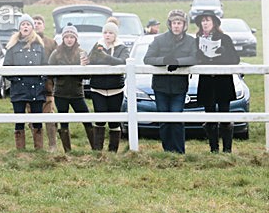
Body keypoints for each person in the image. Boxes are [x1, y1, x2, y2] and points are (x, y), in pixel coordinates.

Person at [143, 9, 197, 154]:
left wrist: (178, 62)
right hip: (160, 86)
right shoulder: (159, 40)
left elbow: (195, 58)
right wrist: (164, 61)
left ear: (184, 25)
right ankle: (167, 151)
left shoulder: (191, 41)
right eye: (174, 23)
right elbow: (147, 58)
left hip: (179, 87)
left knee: (176, 118)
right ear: (170, 24)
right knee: (164, 121)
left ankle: (180, 152)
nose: (176, 26)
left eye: (179, 23)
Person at [195, 11, 240, 153]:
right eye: (203, 21)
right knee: (209, 115)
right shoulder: (197, 39)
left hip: (222, 82)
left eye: (207, 20)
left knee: (224, 114)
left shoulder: (224, 38)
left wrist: (224, 53)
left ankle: (227, 150)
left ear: (214, 23)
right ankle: (213, 148)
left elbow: (235, 59)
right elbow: (194, 59)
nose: (205, 23)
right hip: (207, 82)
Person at [4, 14, 47, 150]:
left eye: (28, 24)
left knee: (37, 121)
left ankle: (39, 149)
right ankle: (20, 150)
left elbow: (46, 66)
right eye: (23, 24)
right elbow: (6, 68)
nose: (25, 26)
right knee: (19, 121)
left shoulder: (39, 46)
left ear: (32, 27)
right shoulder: (12, 47)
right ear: (19, 28)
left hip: (36, 89)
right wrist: (17, 80)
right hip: (19, 89)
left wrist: (41, 80)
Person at [48, 25, 92, 152]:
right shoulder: (56, 53)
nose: (69, 39)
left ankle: (95, 149)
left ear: (75, 38)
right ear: (63, 38)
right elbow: (49, 73)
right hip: (60, 93)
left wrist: (83, 67)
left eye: (71, 37)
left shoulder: (81, 53)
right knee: (64, 122)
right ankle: (67, 151)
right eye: (66, 37)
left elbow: (88, 75)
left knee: (87, 119)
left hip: (77, 93)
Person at [88, 22, 130, 152]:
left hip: (116, 89)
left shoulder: (122, 48)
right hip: (97, 89)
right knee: (100, 119)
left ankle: (113, 151)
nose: (107, 35)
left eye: (110, 33)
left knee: (114, 121)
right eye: (105, 32)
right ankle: (98, 150)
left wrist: (106, 58)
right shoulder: (97, 46)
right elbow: (91, 60)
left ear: (115, 35)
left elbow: (123, 62)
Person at [32, 14, 58, 152]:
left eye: (39, 22)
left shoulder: (51, 43)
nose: (36, 25)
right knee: (32, 117)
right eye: (34, 22)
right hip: (30, 87)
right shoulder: (25, 42)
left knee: (50, 116)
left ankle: (52, 145)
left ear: (43, 25)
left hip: (47, 86)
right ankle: (38, 147)